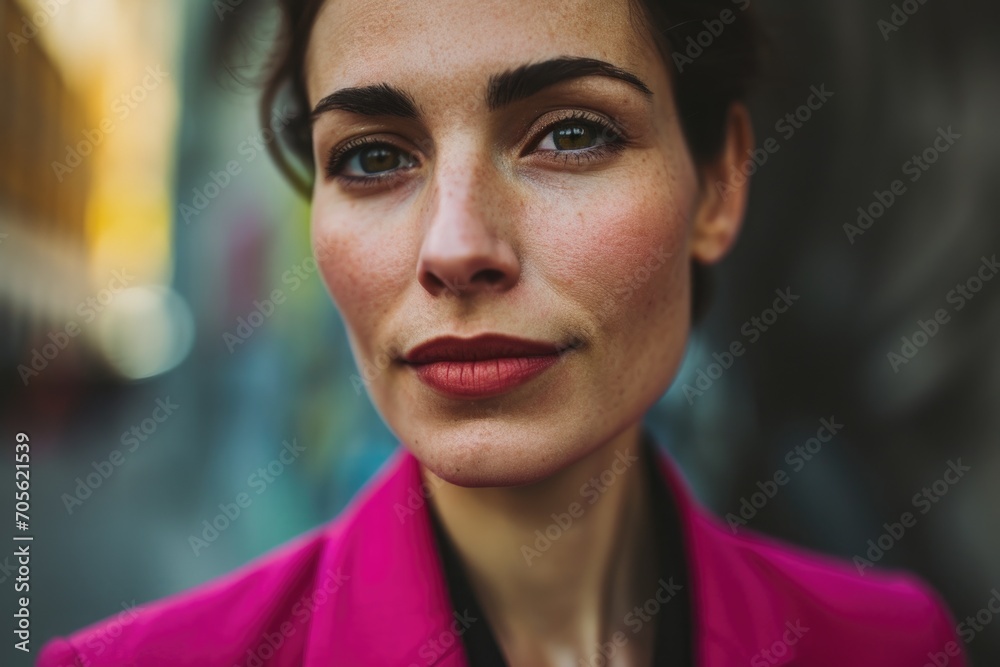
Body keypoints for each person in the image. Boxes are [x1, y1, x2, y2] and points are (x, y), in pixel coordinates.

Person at [39, 0, 967, 665]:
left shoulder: (890, 645)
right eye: (372, 155)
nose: (455, 248)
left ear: (718, 184)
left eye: (570, 135)